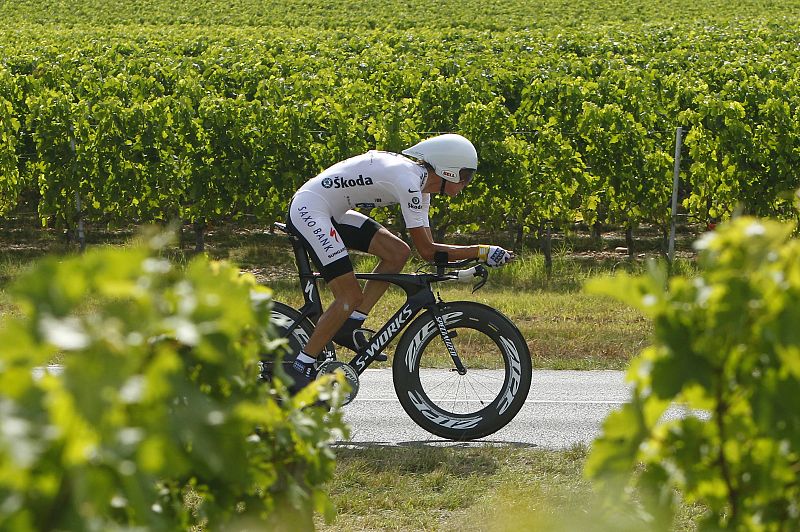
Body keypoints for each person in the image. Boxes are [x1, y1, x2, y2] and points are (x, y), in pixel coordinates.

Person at [284, 133, 513, 392]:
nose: (466, 185)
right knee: (348, 296)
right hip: (310, 209)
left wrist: (476, 254)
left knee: (397, 253)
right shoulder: (409, 182)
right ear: (448, 171)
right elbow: (427, 251)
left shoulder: (421, 188)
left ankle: (349, 325)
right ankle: (300, 368)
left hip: (332, 210)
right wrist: (481, 251)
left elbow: (427, 250)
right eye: (466, 177)